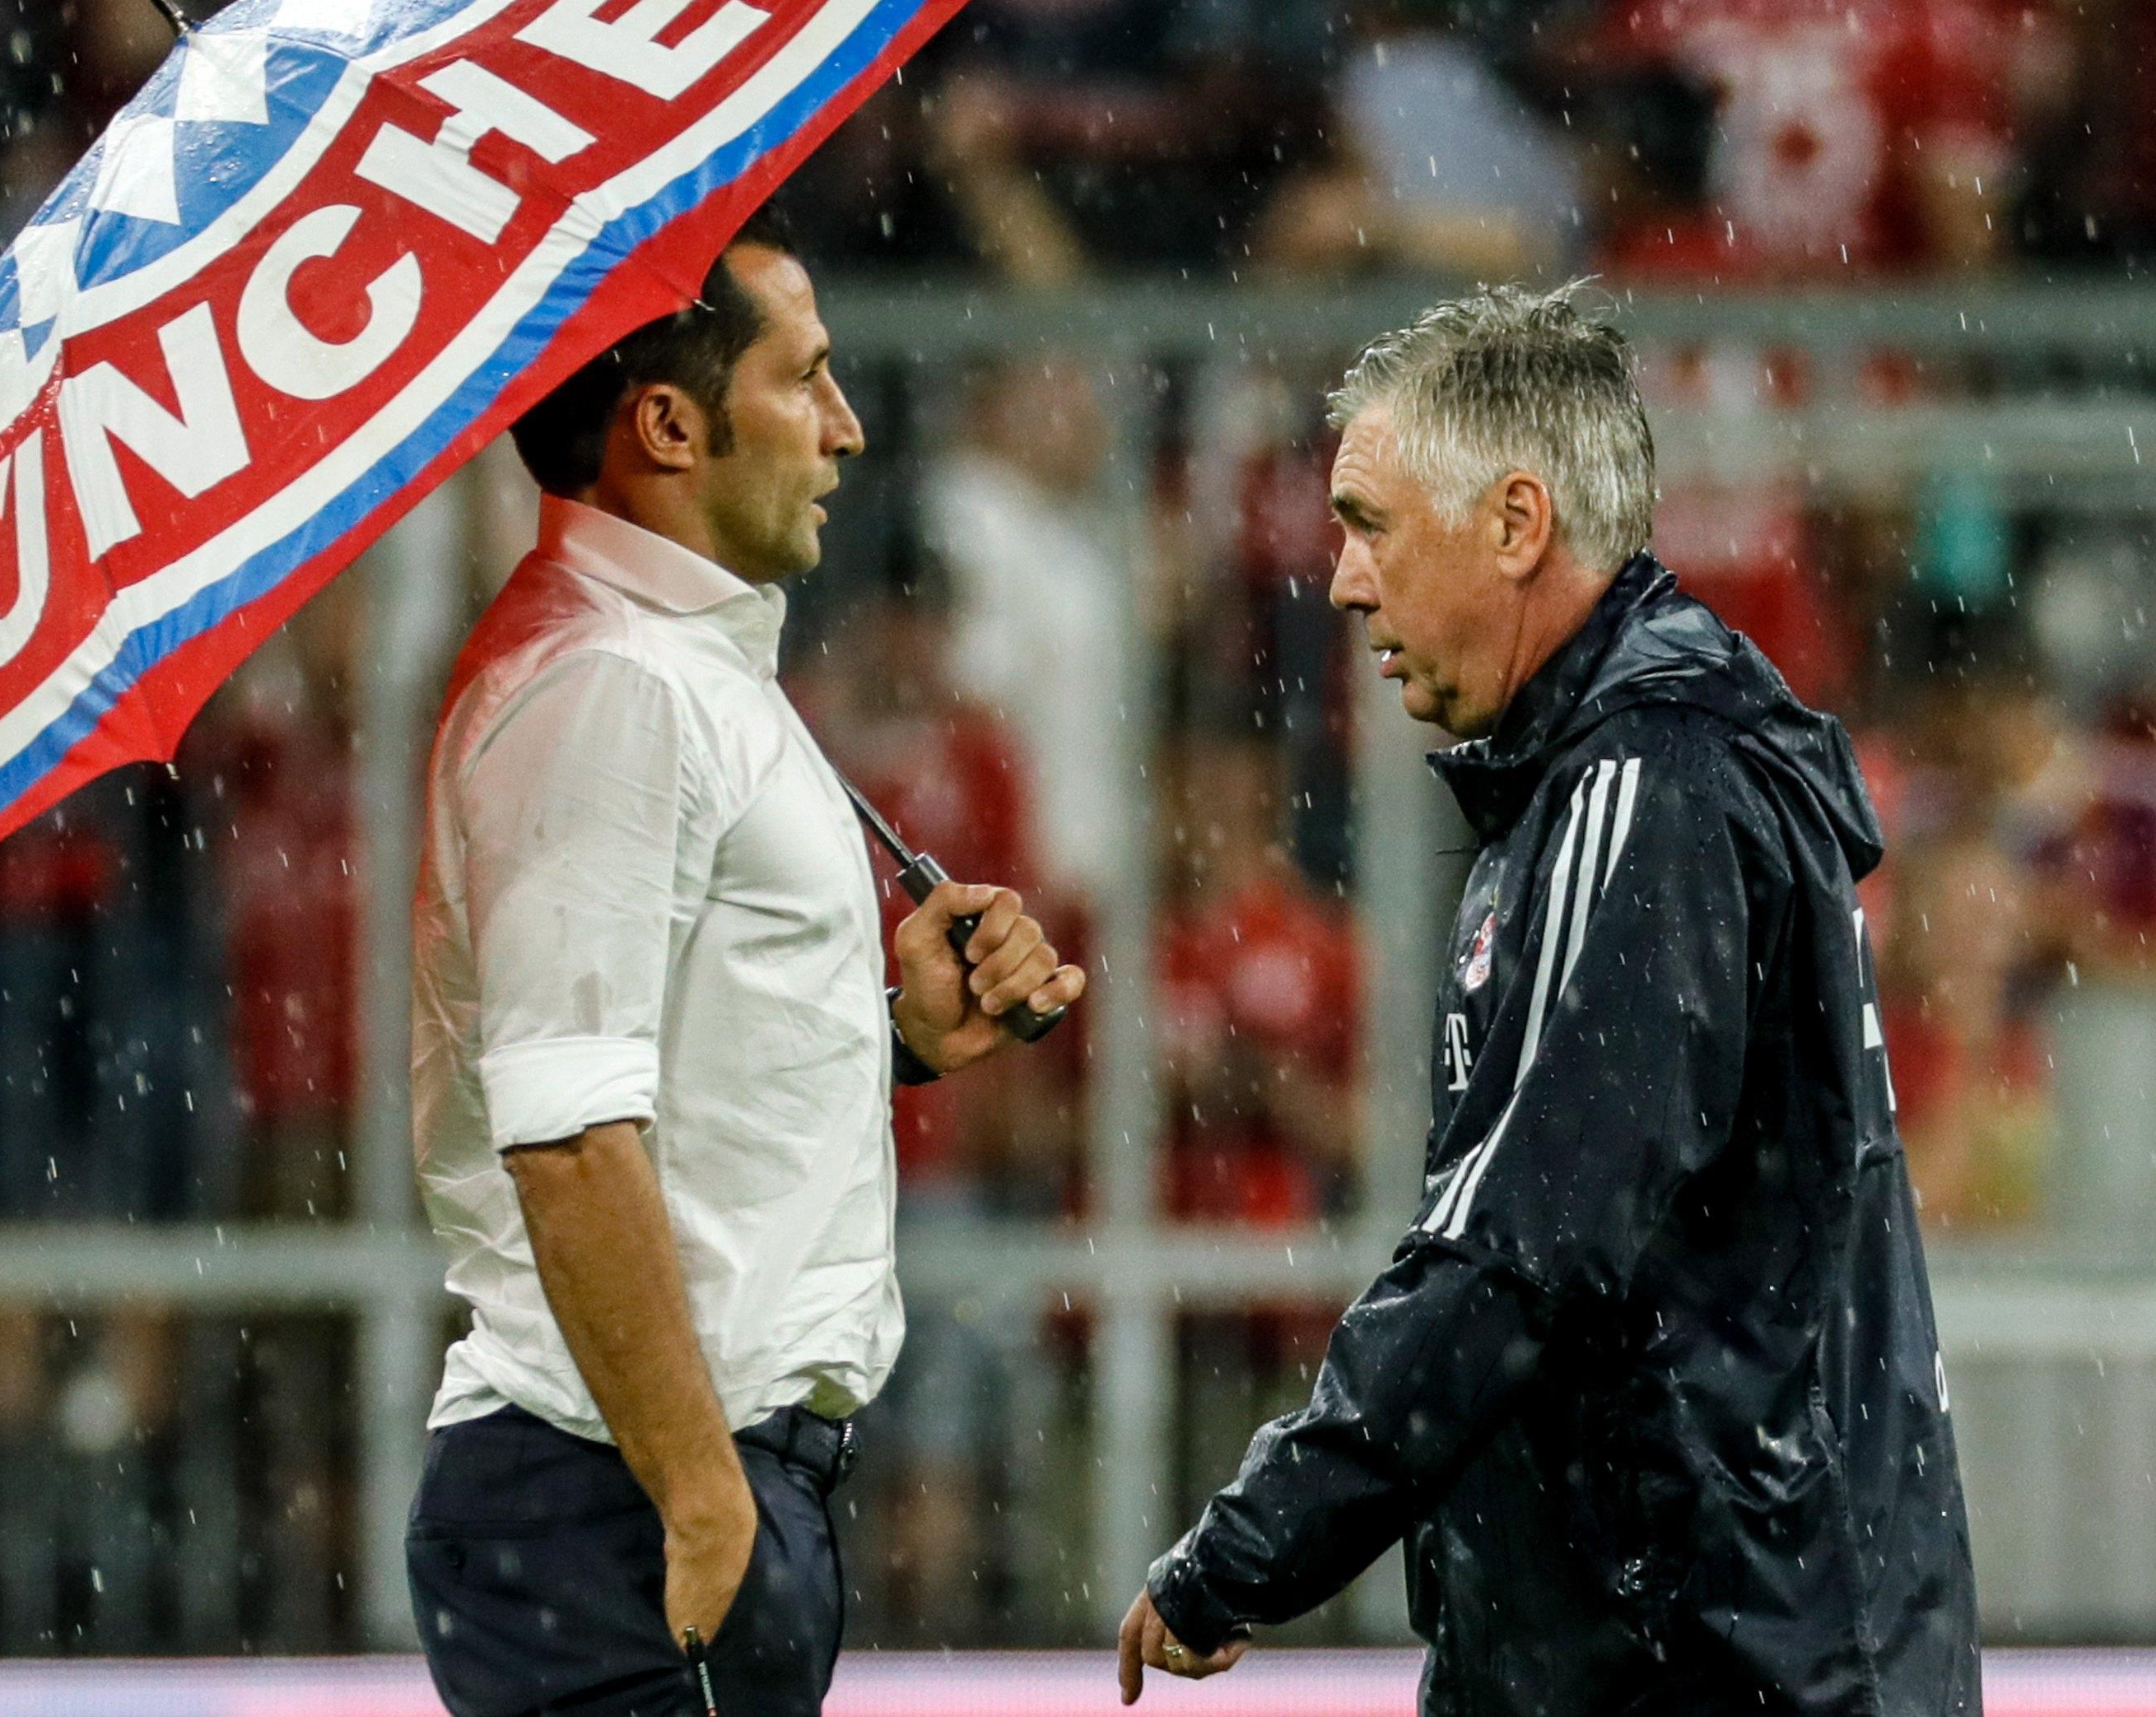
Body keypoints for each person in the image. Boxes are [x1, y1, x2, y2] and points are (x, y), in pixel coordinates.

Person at [1118, 286, 1981, 1714]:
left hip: (1714, 1664)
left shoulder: (1646, 785)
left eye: (1370, 522)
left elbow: (1519, 1243)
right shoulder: (1610, 783)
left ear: (1518, 524)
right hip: (1736, 1640)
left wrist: (1261, 1537)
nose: (1339, 579)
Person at [406, 212, 1084, 1717]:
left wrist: (888, 1027)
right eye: (808, 378)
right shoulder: (607, 685)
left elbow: (656, 1053)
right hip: (627, 1494)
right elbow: (569, 1135)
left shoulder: (672, 662)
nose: (846, 428)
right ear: (668, 424)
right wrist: (709, 1500)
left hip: (646, 1484)